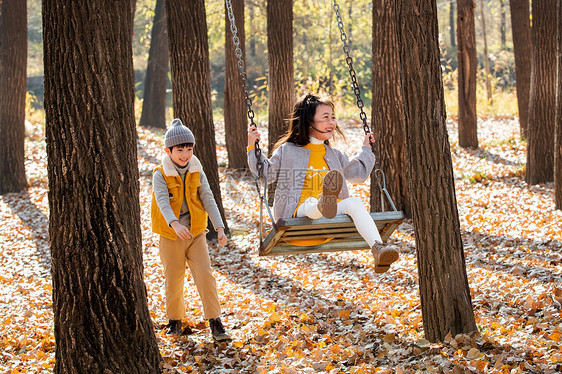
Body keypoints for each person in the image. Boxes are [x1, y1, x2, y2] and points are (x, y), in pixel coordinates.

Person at [247, 93, 399, 273]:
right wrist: (252, 146)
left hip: (326, 225)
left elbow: (358, 174)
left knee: (355, 203)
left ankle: (378, 249)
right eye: (325, 117)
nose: (331, 122)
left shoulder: (335, 155)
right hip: (295, 215)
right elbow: (265, 173)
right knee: (312, 203)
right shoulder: (288, 151)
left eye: (333, 117)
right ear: (307, 121)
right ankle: (322, 203)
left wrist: (366, 149)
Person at [151, 118, 230, 341]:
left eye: (189, 148)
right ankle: (174, 321)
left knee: (205, 276)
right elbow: (162, 202)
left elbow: (208, 197)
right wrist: (174, 224)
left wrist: (219, 227)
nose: (185, 154)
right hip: (171, 235)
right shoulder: (160, 173)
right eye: (179, 150)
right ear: (168, 151)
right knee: (174, 279)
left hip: (196, 233)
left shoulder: (197, 170)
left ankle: (216, 321)